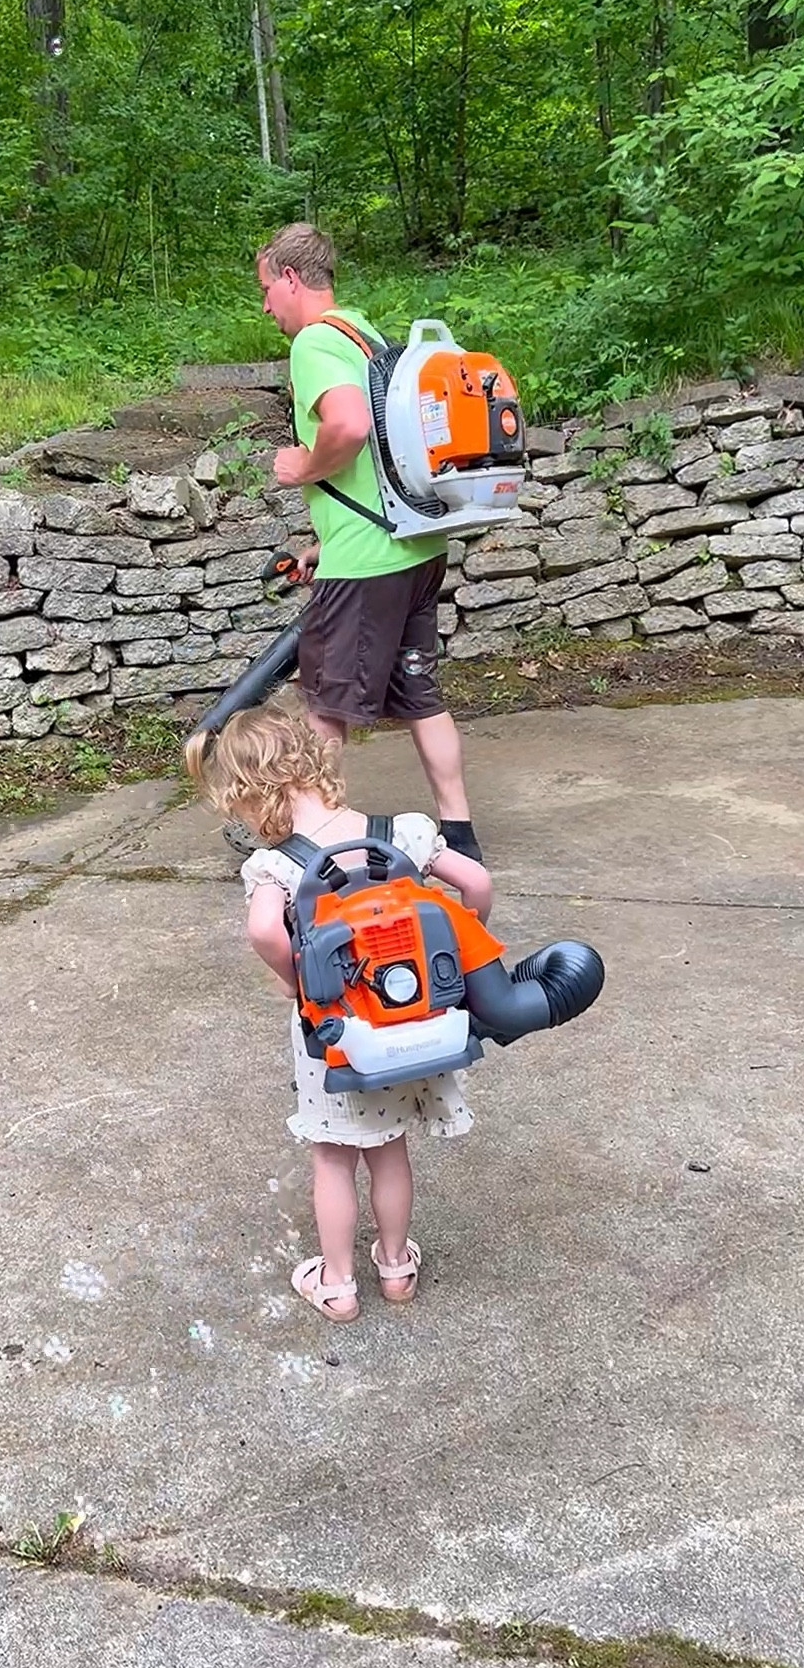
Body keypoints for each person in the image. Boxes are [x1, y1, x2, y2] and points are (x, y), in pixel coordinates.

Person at [186, 702, 496, 1324]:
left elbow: (265, 933)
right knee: (390, 1150)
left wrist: (296, 981)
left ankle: (338, 1284)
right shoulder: (403, 829)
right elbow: (477, 884)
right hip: (412, 1028)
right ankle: (396, 1269)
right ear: (313, 757)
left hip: (336, 1037)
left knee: (333, 1155)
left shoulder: (274, 865)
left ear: (247, 794)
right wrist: (461, 962)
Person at [257, 221, 484, 864]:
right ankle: (459, 833)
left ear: (292, 279)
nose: (265, 305)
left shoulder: (314, 343)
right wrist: (323, 545)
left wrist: (304, 466)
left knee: (325, 702)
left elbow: (351, 427)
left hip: (368, 562)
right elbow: (385, 457)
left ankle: (308, 840)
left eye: (266, 288)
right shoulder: (368, 334)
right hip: (415, 545)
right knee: (419, 695)